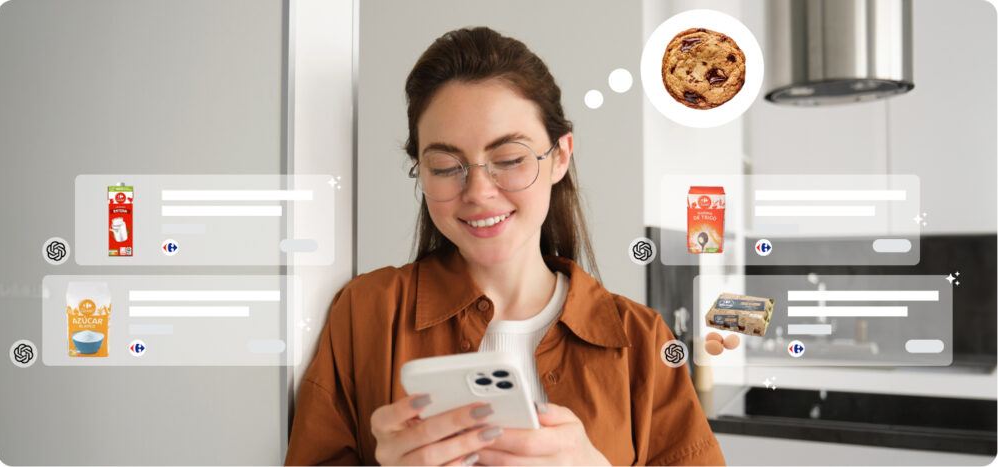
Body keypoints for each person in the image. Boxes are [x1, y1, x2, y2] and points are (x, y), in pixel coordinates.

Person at [284, 26, 725, 466]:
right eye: (443, 166)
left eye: (510, 160)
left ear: (560, 156)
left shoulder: (642, 342)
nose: (477, 191)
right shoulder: (365, 314)